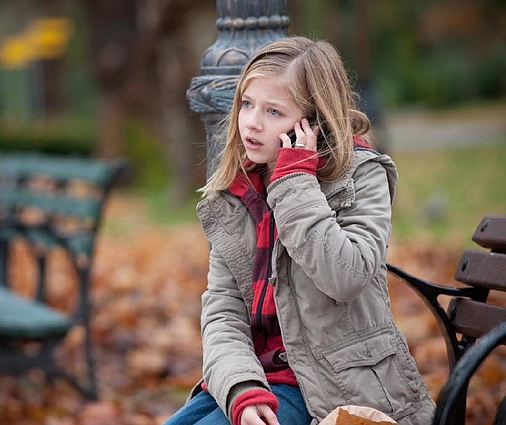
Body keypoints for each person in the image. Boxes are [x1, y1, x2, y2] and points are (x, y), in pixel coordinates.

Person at [164, 36, 435, 425]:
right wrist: (241, 387)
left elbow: (346, 276)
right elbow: (223, 312)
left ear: (315, 122)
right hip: (257, 377)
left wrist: (294, 182)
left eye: (274, 111)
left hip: (328, 386)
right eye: (247, 104)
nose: (252, 123)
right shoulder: (238, 193)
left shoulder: (361, 177)